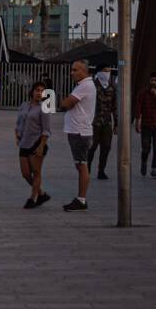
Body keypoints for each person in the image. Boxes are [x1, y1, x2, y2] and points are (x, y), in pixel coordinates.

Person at [59, 59, 96, 211]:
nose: (72, 73)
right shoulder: (84, 85)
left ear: (84, 71)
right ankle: (81, 199)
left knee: (82, 165)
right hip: (78, 130)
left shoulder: (85, 86)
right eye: (72, 70)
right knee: (80, 164)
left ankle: (81, 200)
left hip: (80, 131)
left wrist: (64, 101)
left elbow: (66, 103)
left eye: (75, 70)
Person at [15, 82, 52, 208]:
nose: (39, 93)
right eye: (37, 90)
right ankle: (41, 193)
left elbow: (46, 130)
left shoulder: (44, 108)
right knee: (25, 173)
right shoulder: (24, 105)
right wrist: (17, 135)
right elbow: (18, 122)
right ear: (32, 91)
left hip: (36, 143)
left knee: (36, 172)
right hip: (24, 143)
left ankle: (33, 198)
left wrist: (41, 146)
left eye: (42, 91)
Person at [86, 66, 117, 181]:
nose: (107, 73)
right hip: (93, 122)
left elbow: (115, 106)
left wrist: (117, 123)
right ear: (99, 72)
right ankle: (87, 168)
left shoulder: (112, 86)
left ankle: (101, 170)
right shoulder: (92, 86)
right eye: (105, 71)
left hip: (106, 122)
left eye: (109, 71)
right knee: (91, 147)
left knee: (106, 147)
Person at [136, 71, 156, 178]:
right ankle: (144, 162)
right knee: (145, 148)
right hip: (146, 124)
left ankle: (154, 168)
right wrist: (138, 121)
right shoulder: (143, 93)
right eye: (152, 80)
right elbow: (138, 107)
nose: (153, 82)